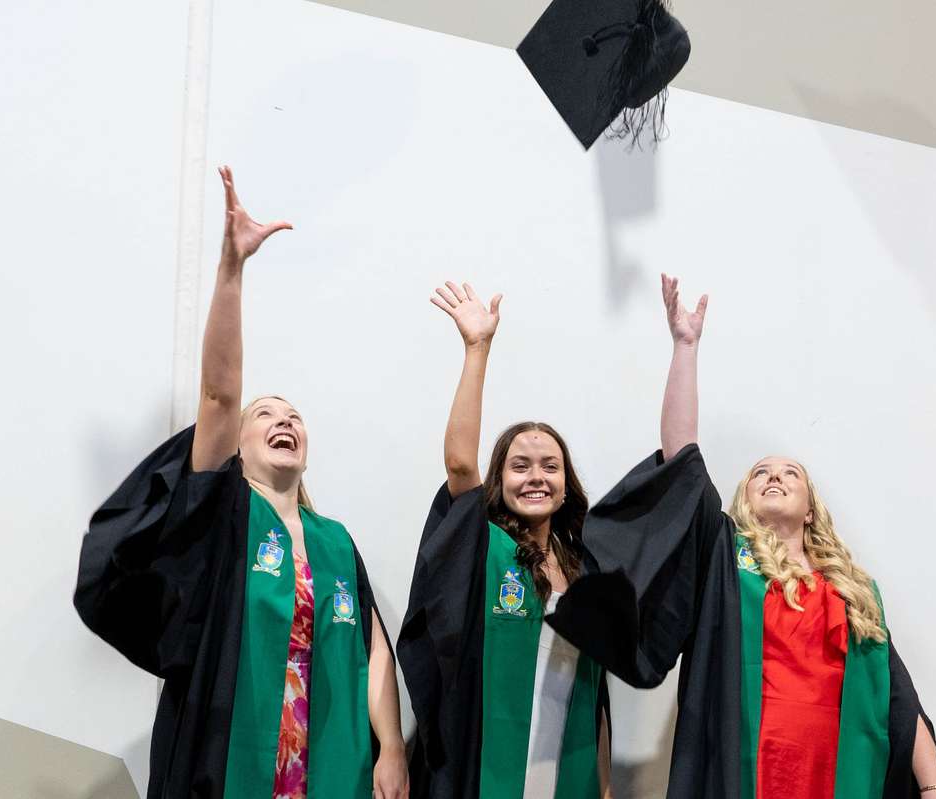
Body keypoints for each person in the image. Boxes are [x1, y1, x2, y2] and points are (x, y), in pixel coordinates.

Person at [74, 167, 408, 799]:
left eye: (294, 416)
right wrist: (232, 268)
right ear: (239, 448)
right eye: (267, 415)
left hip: (327, 766)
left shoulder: (335, 542)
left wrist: (390, 746)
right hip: (226, 756)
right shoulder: (224, 517)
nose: (284, 421)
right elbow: (220, 395)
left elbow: (373, 651)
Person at [546, 274, 936, 799]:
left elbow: (897, 695)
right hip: (745, 775)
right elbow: (682, 463)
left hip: (840, 777)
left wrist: (935, 787)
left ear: (811, 511)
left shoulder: (853, 590)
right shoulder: (724, 557)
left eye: (790, 473)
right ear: (744, 502)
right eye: (761, 472)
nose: (775, 476)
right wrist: (685, 347)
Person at [397, 282, 612, 798]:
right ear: (499, 480)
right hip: (489, 770)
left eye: (550, 466)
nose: (536, 477)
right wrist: (478, 349)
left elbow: (597, 692)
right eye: (520, 466)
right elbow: (459, 464)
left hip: (565, 773)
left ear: (566, 486)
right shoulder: (484, 548)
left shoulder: (587, 570)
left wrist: (605, 786)